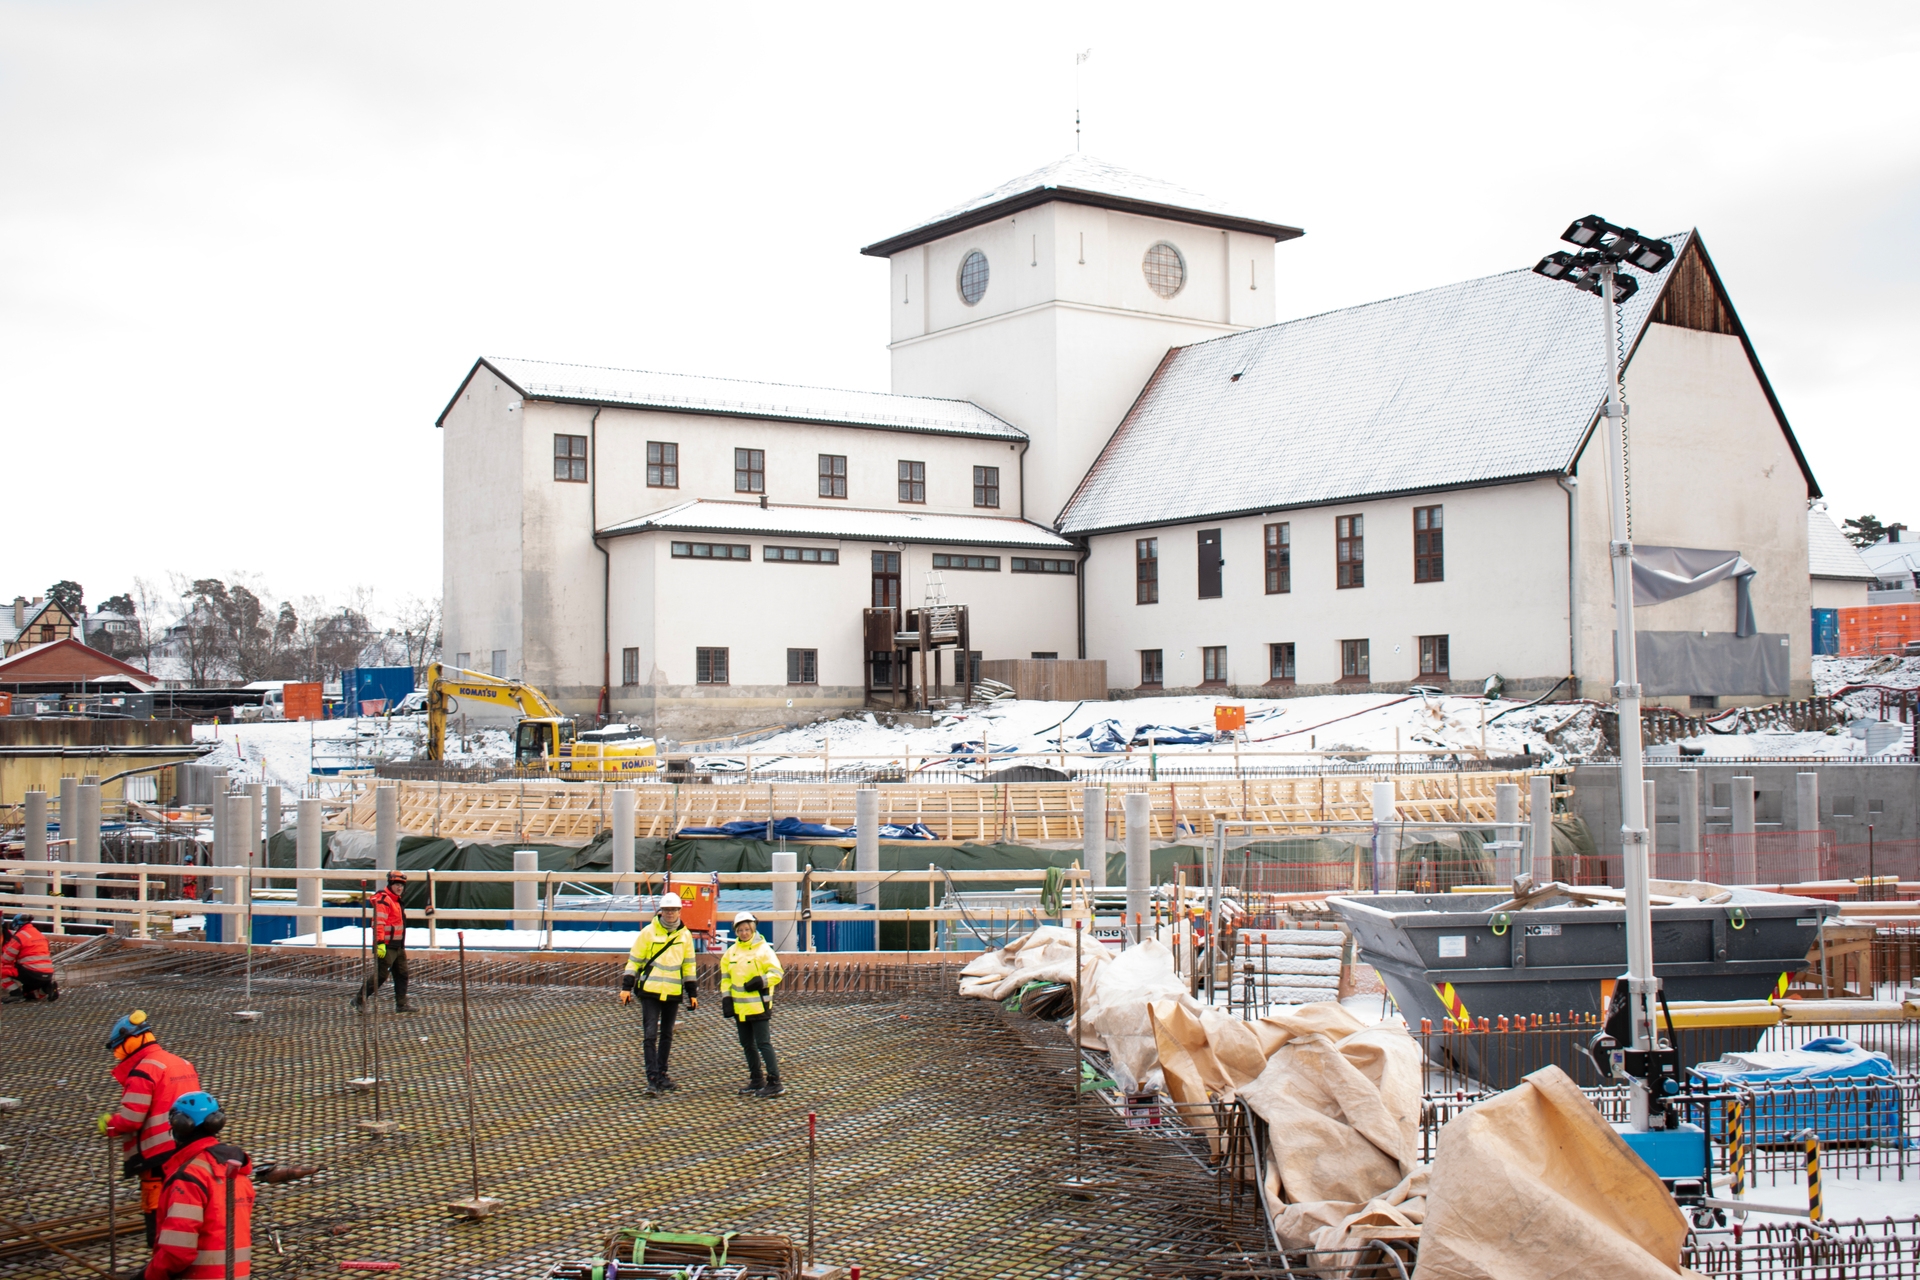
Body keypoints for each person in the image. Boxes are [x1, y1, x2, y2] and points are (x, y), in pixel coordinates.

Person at [101, 1011, 202, 1247]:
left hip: (157, 1156)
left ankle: (162, 1255)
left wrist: (110, 1123)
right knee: (185, 1201)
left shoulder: (143, 1070)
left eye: (118, 1049)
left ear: (130, 1040)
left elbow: (131, 1119)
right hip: (189, 1149)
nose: (117, 1056)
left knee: (158, 1211)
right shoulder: (181, 1062)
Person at [144, 1092, 253, 1280]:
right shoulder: (237, 1172)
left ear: (179, 1125)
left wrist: (147, 1276)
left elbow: (177, 1251)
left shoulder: (189, 1177)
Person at [621, 890, 698, 1095]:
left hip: (672, 992)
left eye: (673, 910)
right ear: (660, 911)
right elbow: (635, 960)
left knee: (666, 1035)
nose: (670, 913)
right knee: (650, 1035)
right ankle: (652, 1078)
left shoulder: (685, 936)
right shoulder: (649, 932)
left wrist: (692, 993)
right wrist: (626, 987)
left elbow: (689, 966)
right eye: (666, 910)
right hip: (650, 991)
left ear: (680, 911)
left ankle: (662, 1075)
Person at [720, 911, 785, 1098]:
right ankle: (757, 1079)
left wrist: (761, 981)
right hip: (740, 1008)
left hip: (759, 1006)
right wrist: (726, 999)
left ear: (753, 929)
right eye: (740, 930)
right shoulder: (730, 953)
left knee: (763, 1043)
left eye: (747, 929)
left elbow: (777, 973)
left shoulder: (763, 950)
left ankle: (775, 1081)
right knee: (747, 1044)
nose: (744, 933)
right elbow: (725, 979)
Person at [351, 870, 415, 1013]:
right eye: (397, 885)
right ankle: (359, 999)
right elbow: (379, 923)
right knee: (381, 975)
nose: (400, 888)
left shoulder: (396, 901)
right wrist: (380, 943)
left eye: (402, 886)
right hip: (386, 945)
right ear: (390, 884)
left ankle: (402, 1004)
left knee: (402, 973)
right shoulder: (384, 900)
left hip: (397, 945)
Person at [0, 914, 56, 1002]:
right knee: (28, 995)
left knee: (2, 970)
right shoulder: (39, 934)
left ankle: (16, 994)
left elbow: (6, 959)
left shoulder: (19, 937)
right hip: (47, 975)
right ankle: (46, 988)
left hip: (32, 974)